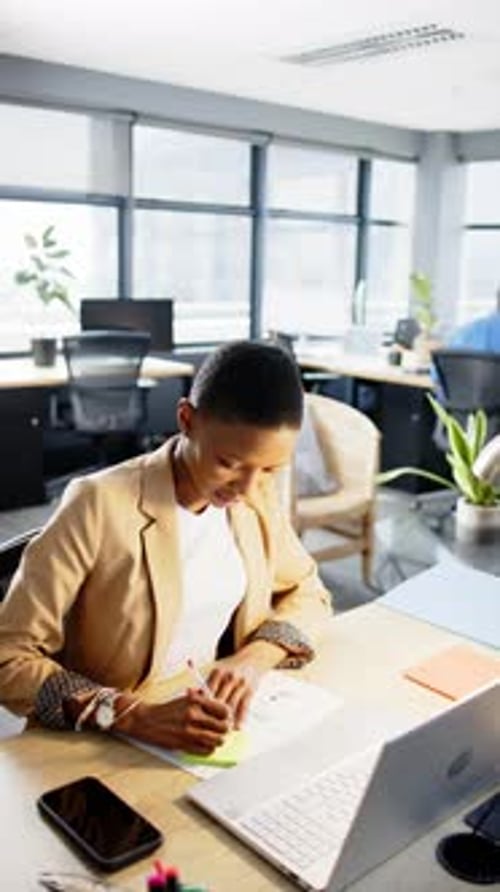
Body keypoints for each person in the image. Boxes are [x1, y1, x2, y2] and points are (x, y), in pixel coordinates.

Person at [0, 340, 332, 756]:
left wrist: (254, 658)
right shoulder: (97, 504)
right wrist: (131, 715)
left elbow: (309, 592)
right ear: (186, 420)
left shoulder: (255, 496)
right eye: (228, 463)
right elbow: (8, 656)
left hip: (206, 724)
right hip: (99, 743)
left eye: (269, 469)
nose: (248, 489)